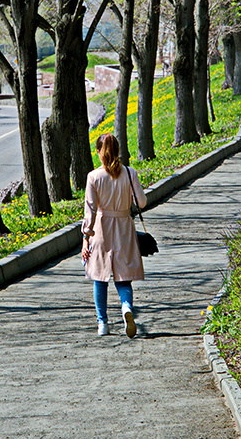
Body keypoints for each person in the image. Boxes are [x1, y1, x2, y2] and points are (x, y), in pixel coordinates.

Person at [81, 133, 147, 338]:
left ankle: (103, 323)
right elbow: (142, 202)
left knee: (99, 278)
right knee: (123, 277)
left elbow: (90, 210)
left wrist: (86, 237)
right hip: (124, 228)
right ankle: (126, 307)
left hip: (101, 229)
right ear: (118, 150)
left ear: (99, 152)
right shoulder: (129, 173)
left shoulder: (94, 177)